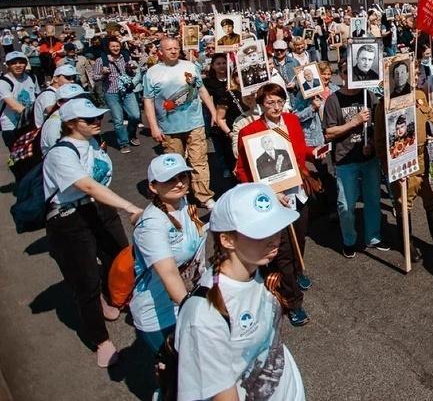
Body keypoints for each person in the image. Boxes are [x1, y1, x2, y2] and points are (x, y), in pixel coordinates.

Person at [174, 183, 306, 400]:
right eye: (260, 232)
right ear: (227, 239)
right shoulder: (204, 317)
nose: (274, 239)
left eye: (276, 228)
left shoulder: (256, 269)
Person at [42, 98, 143, 367]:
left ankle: (120, 297)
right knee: (85, 280)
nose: (98, 122)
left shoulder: (92, 143)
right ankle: (101, 339)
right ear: (72, 124)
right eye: (90, 119)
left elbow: (100, 183)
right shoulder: (60, 153)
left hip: (97, 209)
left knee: (120, 256)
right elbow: (88, 186)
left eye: (99, 117)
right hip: (68, 219)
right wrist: (130, 206)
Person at [235, 83, 315, 326]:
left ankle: (299, 270)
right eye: (270, 102)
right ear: (261, 105)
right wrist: (267, 192)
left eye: (280, 101)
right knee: (283, 254)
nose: (276, 107)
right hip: (273, 200)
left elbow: (300, 150)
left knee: (299, 239)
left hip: (297, 192)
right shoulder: (250, 133)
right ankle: (293, 302)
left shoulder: (291, 121)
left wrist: (315, 152)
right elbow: (242, 170)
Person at [374, 87, 433, 262]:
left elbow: (431, 118)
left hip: (427, 160)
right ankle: (406, 245)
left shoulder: (420, 95)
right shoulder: (384, 104)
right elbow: (379, 140)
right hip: (403, 164)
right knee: (403, 206)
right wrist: (389, 169)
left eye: (414, 73)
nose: (413, 77)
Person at [129, 154, 206, 352]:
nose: (179, 183)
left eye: (183, 176)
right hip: (160, 315)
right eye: (170, 179)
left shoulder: (185, 204)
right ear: (153, 187)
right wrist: (194, 311)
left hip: (187, 300)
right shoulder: (152, 225)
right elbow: (168, 272)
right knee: (174, 375)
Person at [142, 37, 219, 208]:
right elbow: (148, 100)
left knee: (199, 160)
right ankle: (180, 194)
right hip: (169, 127)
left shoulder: (191, 66)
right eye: (169, 49)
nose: (173, 51)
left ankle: (204, 196)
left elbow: (202, 90)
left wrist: (213, 112)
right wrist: (153, 126)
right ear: (160, 51)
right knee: (176, 164)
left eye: (176, 48)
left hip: (195, 122)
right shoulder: (152, 73)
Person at [322, 66, 388, 258]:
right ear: (341, 75)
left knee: (373, 200)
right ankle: (349, 240)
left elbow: (378, 126)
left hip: (368, 158)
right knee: (345, 205)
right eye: (346, 72)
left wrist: (373, 146)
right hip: (345, 160)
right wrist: (354, 122)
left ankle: (373, 237)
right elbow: (329, 133)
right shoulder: (333, 100)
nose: (351, 75)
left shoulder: (369, 96)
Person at [1, 50, 38, 148]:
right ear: (7, 65)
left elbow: (38, 98)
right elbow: (14, 106)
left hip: (30, 124)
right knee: (17, 158)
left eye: (21, 62)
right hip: (11, 126)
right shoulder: (3, 82)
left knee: (32, 156)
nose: (18, 65)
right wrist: (36, 115)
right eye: (13, 63)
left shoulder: (32, 78)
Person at [32, 63, 77, 128]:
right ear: (56, 79)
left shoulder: (60, 93)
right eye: (68, 78)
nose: (72, 81)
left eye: (74, 78)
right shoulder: (48, 94)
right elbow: (50, 110)